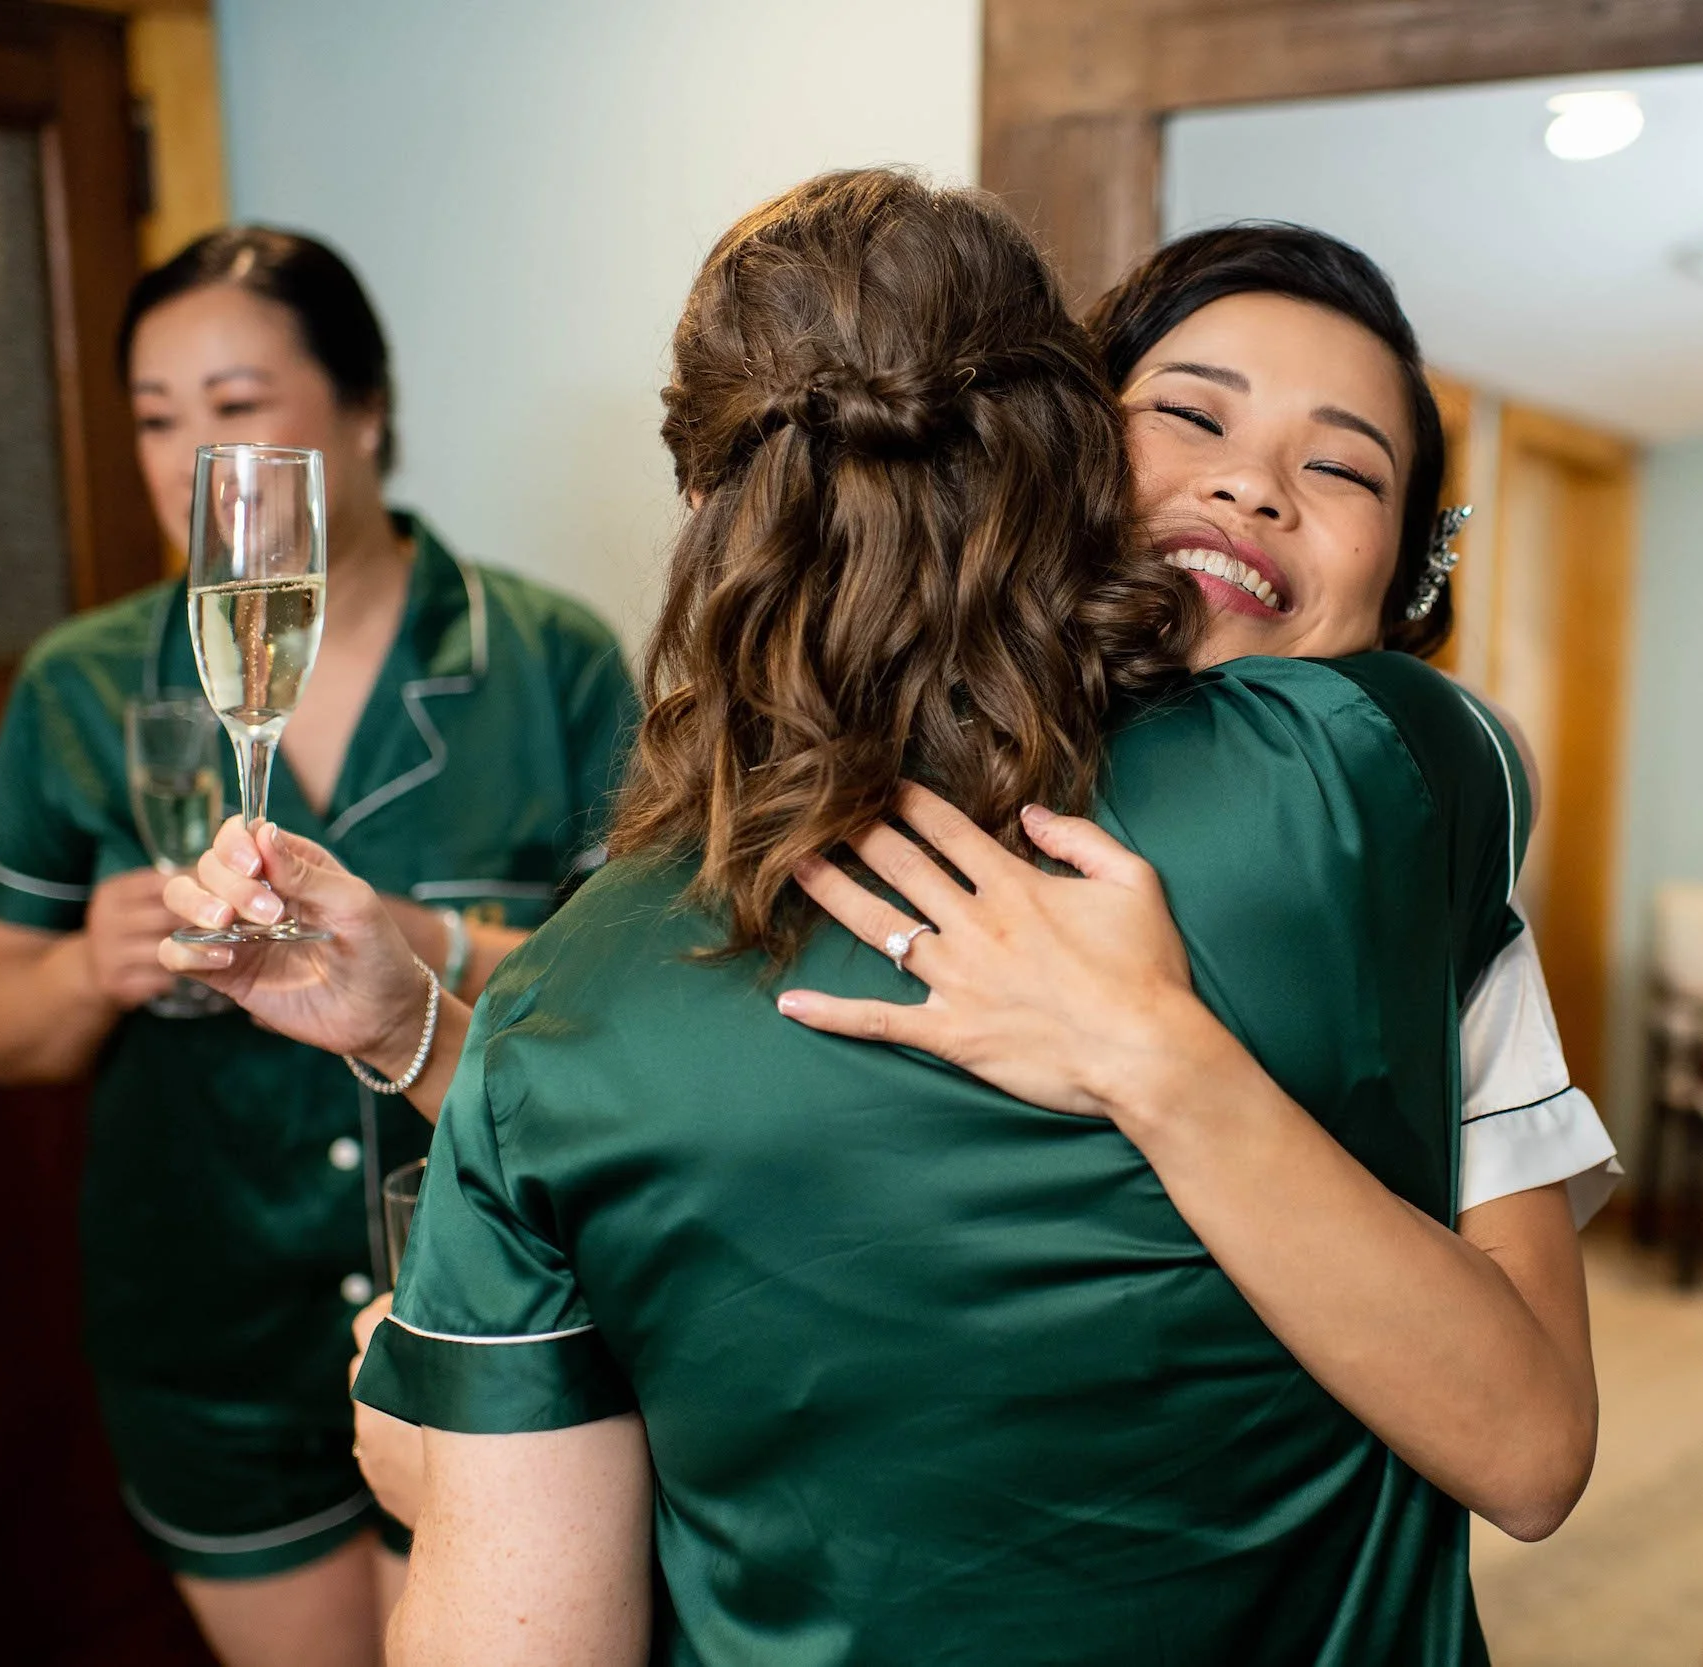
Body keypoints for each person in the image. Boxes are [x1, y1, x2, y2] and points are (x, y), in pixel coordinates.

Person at [169, 172, 1596, 1663]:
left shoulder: (1383, 797)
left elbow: (1532, 1443)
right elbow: (760, 1161)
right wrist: (425, 1031)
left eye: (1346, 467)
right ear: (1055, 443)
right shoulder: (1394, 773)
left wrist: (480, 1475)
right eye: (1192, 415)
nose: (1254, 488)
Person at [0, 227, 637, 1667]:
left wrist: (430, 947)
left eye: (239, 406)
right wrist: (90, 967)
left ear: (366, 410)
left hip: (497, 1306)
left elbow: (632, 1013)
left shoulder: (549, 659)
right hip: (211, 1337)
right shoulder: (84, 683)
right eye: (157, 419)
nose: (197, 464)